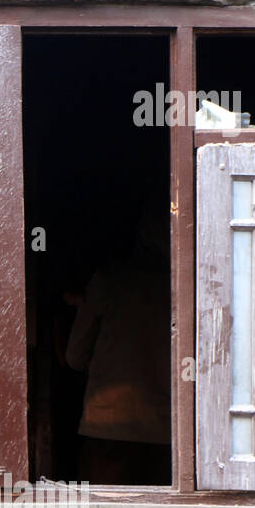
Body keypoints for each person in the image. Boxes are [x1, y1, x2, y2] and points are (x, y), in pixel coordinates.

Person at [64, 199, 172, 484]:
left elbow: (75, 357)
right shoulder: (187, 286)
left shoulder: (109, 281)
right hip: (167, 429)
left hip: (107, 425)